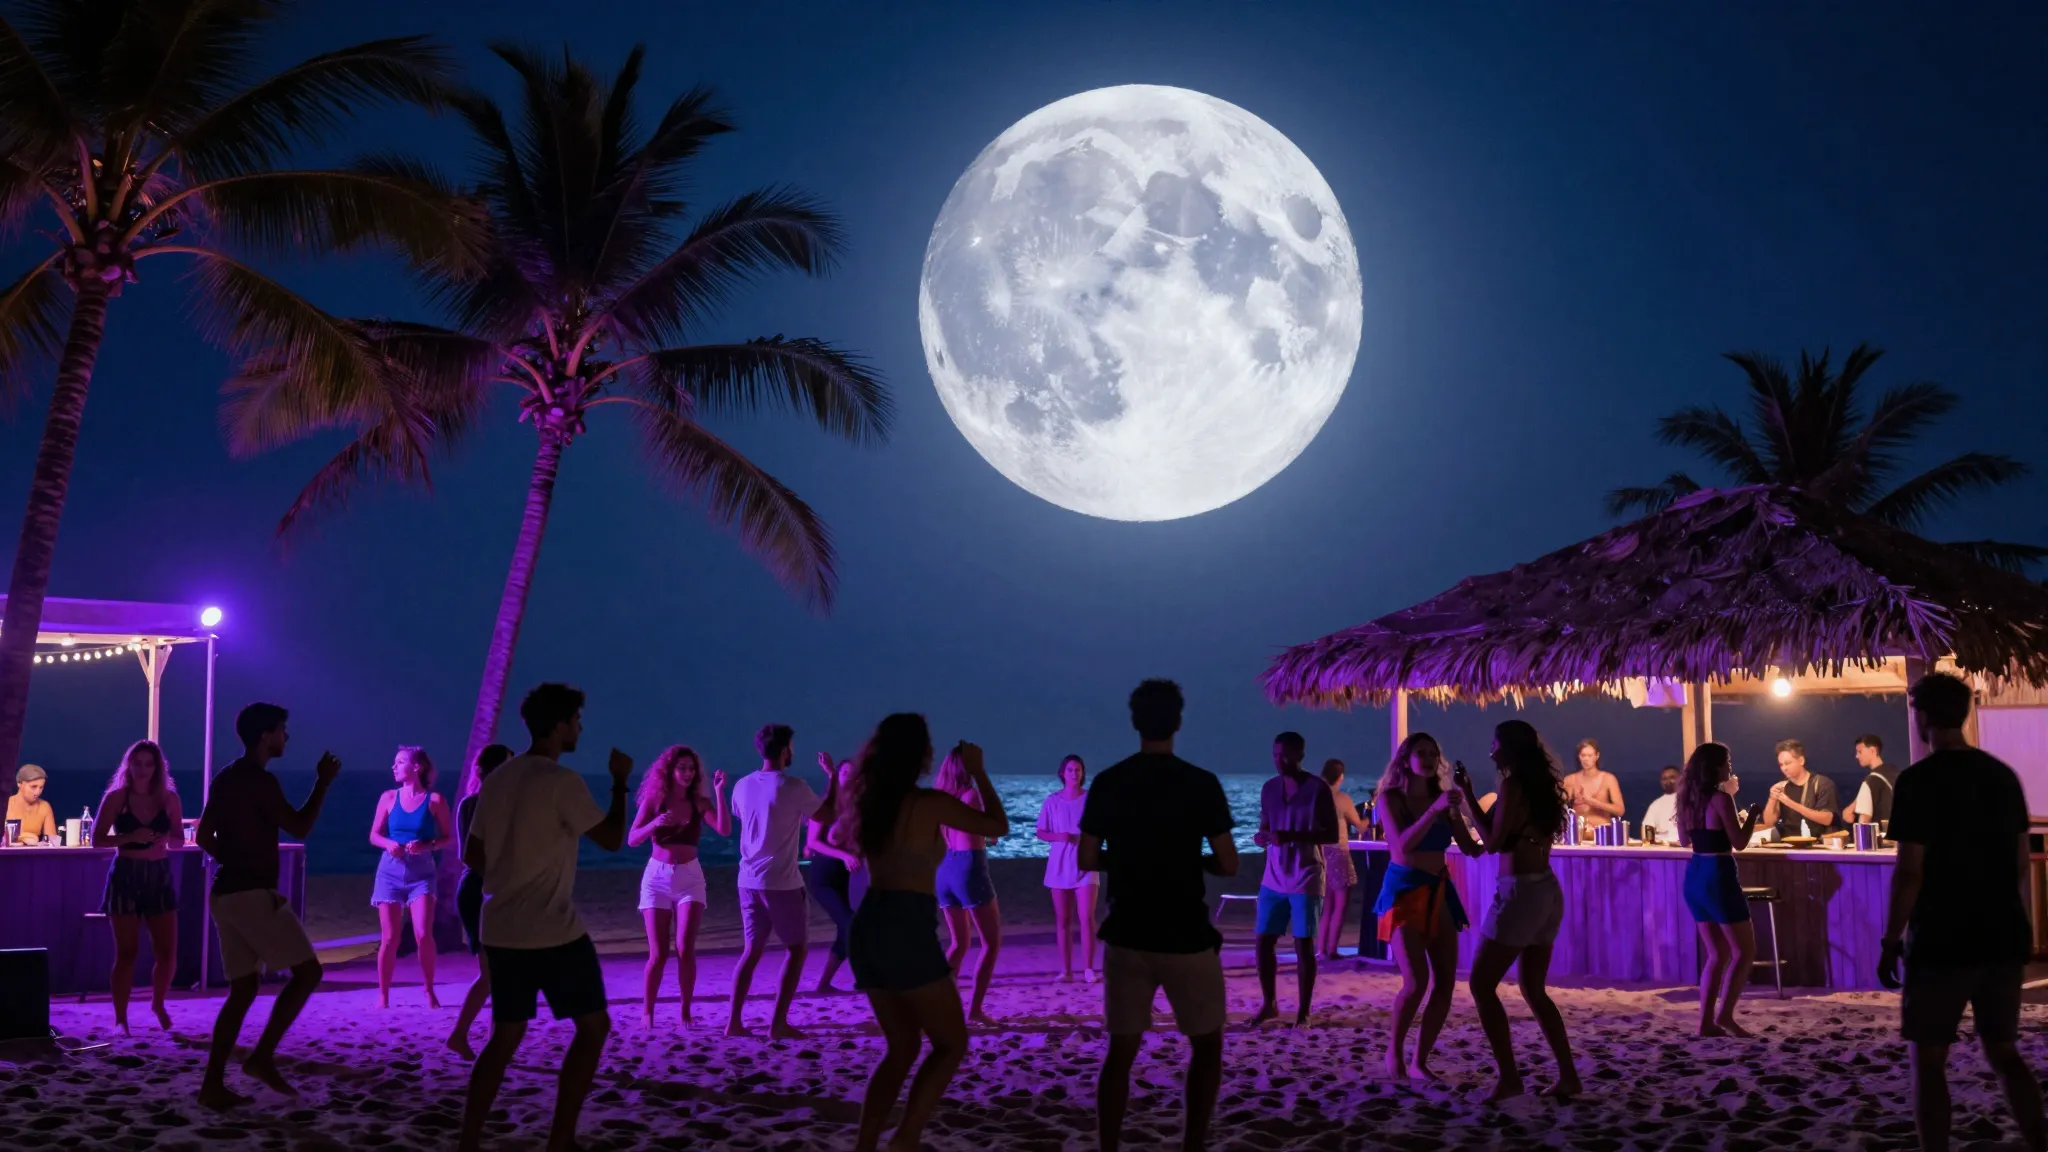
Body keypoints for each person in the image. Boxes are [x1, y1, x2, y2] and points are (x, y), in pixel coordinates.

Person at [458, 683, 632, 1152]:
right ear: (558, 726)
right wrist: (619, 782)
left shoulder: (498, 779)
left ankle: (468, 1141)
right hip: (552, 930)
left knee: (505, 1035)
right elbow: (612, 839)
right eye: (575, 720)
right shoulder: (561, 781)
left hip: (500, 926)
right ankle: (560, 1138)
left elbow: (472, 854)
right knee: (593, 1028)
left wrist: (511, 872)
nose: (579, 728)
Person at [1881, 673, 2045, 1152]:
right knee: (2004, 1053)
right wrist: (2019, 925)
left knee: (1929, 1060)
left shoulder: (1917, 781)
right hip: (2001, 933)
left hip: (1941, 938)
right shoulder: (2001, 776)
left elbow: (1909, 872)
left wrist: (1891, 940)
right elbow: (2020, 864)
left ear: (1923, 717)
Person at [1079, 679, 1237, 1152]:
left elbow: (1087, 857)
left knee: (1121, 1051)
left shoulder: (1109, 782)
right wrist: (1190, 861)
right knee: (1206, 1045)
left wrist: (1129, 859)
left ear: (1135, 722)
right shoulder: (1201, 783)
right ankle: (1192, 1144)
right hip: (1186, 934)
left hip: (1127, 932)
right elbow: (1229, 863)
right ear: (1178, 722)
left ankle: (1109, 1145)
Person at [838, 717, 1009, 1152]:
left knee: (902, 1047)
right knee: (951, 1044)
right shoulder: (927, 803)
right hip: (905, 923)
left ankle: (866, 1144)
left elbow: (839, 835)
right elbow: (997, 826)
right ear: (920, 755)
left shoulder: (869, 802)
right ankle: (906, 1138)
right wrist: (979, 771)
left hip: (868, 925)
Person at [195, 703, 339, 1109]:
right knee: (308, 973)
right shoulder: (261, 782)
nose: (286, 737)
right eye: (281, 730)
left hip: (225, 895)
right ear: (265, 736)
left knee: (243, 989)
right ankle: (260, 1057)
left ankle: (212, 1084)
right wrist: (322, 782)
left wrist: (233, 860)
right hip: (252, 895)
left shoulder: (225, 777)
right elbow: (300, 826)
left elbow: (204, 836)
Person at [1456, 719, 1581, 1102]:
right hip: (1546, 890)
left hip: (1520, 893)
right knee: (1533, 989)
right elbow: (1500, 834)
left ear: (1508, 748)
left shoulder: (1512, 786)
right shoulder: (1540, 787)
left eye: (1495, 745)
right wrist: (1469, 794)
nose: (1491, 751)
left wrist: (1466, 799)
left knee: (1481, 984)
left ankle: (1510, 1078)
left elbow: (1493, 842)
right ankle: (1568, 1076)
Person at [1373, 732, 1482, 1081]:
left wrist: (1470, 803)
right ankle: (1394, 1050)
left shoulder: (1442, 799)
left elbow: (1470, 847)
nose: (1429, 758)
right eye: (1421, 753)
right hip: (1404, 892)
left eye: (1433, 753)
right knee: (1416, 981)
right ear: (1406, 761)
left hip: (1439, 890)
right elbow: (1401, 848)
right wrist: (1434, 811)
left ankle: (1420, 1060)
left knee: (1445, 982)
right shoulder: (1391, 799)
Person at [727, 722, 819, 1038]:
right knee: (797, 949)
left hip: (747, 879)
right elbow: (826, 815)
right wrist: (834, 779)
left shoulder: (741, 785)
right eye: (791, 747)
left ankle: (733, 1022)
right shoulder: (793, 786)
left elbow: (746, 816)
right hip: (781, 882)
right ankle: (778, 1023)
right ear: (784, 750)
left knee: (751, 951)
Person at [627, 745, 730, 1028]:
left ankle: (685, 1012)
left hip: (690, 877)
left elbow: (724, 829)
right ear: (670, 770)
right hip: (657, 878)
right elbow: (633, 839)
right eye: (682, 768)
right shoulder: (655, 800)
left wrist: (720, 792)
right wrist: (655, 823)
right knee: (658, 954)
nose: (687, 773)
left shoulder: (699, 802)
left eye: (691, 768)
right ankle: (648, 1012)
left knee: (685, 948)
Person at [92, 740, 183, 1033]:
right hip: (126, 874)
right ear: (128, 765)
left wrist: (166, 839)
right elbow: (97, 839)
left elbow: (180, 840)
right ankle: (121, 1018)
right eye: (137, 763)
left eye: (149, 764)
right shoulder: (117, 798)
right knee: (127, 952)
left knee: (167, 952)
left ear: (157, 768)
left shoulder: (169, 799)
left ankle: (158, 1003)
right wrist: (130, 837)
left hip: (158, 873)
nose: (143, 769)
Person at [1249, 732, 1338, 1028]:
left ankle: (1303, 1012)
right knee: (1263, 941)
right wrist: (1262, 837)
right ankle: (1269, 1004)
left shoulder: (1317, 788)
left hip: (1306, 874)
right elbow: (1266, 824)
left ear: (1300, 755)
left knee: (1303, 943)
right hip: (1273, 875)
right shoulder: (1269, 788)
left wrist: (1291, 836)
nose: (1279, 760)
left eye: (1285, 755)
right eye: (1275, 754)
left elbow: (1332, 834)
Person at [1675, 742, 1760, 1036]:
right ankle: (1724, 1015)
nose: (1730, 767)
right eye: (1727, 762)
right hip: (1718, 874)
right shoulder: (1721, 799)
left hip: (1695, 874)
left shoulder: (1686, 800)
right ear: (1715, 767)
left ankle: (1706, 1022)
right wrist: (1752, 815)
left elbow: (1684, 841)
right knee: (1744, 952)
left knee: (1717, 954)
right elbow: (1739, 842)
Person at [369, 746, 454, 1009]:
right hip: (390, 873)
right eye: (394, 762)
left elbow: (447, 838)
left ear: (417, 767)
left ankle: (429, 990)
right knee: (390, 937)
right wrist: (388, 844)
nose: (394, 767)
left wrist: (426, 845)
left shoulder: (435, 800)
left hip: (422, 874)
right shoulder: (388, 797)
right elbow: (374, 835)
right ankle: (383, 996)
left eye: (400, 762)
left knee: (423, 934)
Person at [447, 743, 514, 1061]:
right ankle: (468, 1037)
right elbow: (468, 855)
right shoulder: (473, 804)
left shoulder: (508, 804)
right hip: (479, 890)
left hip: (497, 889)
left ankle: (476, 1038)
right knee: (494, 972)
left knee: (498, 973)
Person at [934, 745, 1004, 1024]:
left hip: (945, 869)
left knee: (959, 943)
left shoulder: (941, 798)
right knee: (991, 943)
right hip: (969, 866)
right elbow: (993, 827)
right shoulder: (971, 795)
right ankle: (974, 1010)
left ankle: (936, 1004)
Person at [1036, 754, 1098, 983]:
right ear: (1063, 773)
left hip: (1085, 864)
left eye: (1078, 770)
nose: (1074, 774)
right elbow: (1041, 831)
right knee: (1063, 920)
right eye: (1070, 770)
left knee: (1086, 917)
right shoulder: (1052, 801)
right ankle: (1066, 971)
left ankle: (1089, 969)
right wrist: (1059, 836)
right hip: (1059, 864)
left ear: (1083, 773)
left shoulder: (1090, 799)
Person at [807, 754, 862, 993]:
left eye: (853, 773)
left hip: (844, 876)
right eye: (844, 772)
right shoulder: (825, 806)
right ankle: (866, 978)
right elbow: (813, 842)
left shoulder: (856, 809)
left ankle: (823, 985)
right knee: (852, 925)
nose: (849, 776)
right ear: (838, 776)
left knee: (845, 930)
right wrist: (844, 855)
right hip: (823, 876)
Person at [1316, 758, 1369, 960]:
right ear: (1340, 777)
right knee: (1340, 904)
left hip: (1320, 853)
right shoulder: (1342, 798)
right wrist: (1373, 815)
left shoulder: (1316, 797)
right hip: (1338, 852)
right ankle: (1332, 949)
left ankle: (1321, 949)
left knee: (1327, 905)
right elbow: (1360, 826)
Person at [1761, 739, 1837, 840]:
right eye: (1781, 764)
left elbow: (1827, 819)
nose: (1784, 768)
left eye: (1788, 763)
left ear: (1801, 761)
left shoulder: (1822, 784)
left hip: (1817, 843)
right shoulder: (1783, 786)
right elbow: (1769, 823)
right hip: (1788, 843)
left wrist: (1790, 803)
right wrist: (1772, 799)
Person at [1564, 738, 1624, 831]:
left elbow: (1620, 811)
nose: (1586, 759)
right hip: (1579, 834)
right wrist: (1567, 799)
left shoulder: (1608, 779)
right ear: (1579, 757)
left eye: (1590, 755)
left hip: (1602, 834)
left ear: (1597, 756)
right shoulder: (1570, 780)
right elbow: (1558, 807)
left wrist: (1596, 803)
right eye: (1583, 755)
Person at [1842, 733, 1896, 827]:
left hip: (1882, 834)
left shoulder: (1871, 781)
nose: (1856, 756)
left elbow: (1863, 822)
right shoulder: (1895, 773)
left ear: (1872, 751)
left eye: (1860, 752)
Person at [9, 763, 57, 844]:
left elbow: (53, 842)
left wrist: (37, 843)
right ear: (19, 783)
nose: (37, 792)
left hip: (34, 851)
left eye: (41, 787)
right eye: (33, 787)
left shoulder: (44, 807)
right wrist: (25, 837)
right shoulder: (5, 805)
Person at [1640, 766, 1683, 845]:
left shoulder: (1688, 800)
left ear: (1680, 779)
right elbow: (1646, 830)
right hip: (1661, 848)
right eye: (1664, 779)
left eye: (1672, 777)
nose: (1668, 781)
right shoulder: (1656, 805)